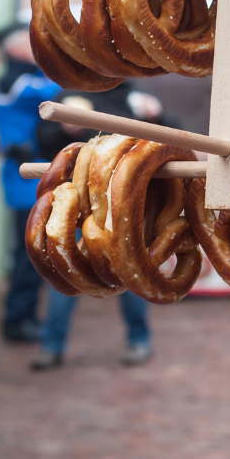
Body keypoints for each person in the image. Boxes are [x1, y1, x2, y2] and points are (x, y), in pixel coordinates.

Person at [29, 83, 166, 370]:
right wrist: (66, 131)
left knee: (130, 273)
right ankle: (52, 345)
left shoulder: (135, 97)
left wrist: (157, 115)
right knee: (65, 270)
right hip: (75, 204)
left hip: (125, 203)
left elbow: (165, 144)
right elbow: (43, 139)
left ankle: (139, 340)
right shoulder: (69, 95)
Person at [0, 22, 61, 342]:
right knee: (28, 251)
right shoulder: (16, 81)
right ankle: (17, 320)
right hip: (23, 178)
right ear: (12, 48)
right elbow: (53, 92)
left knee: (33, 250)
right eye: (27, 41)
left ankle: (24, 316)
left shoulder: (21, 78)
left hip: (30, 175)